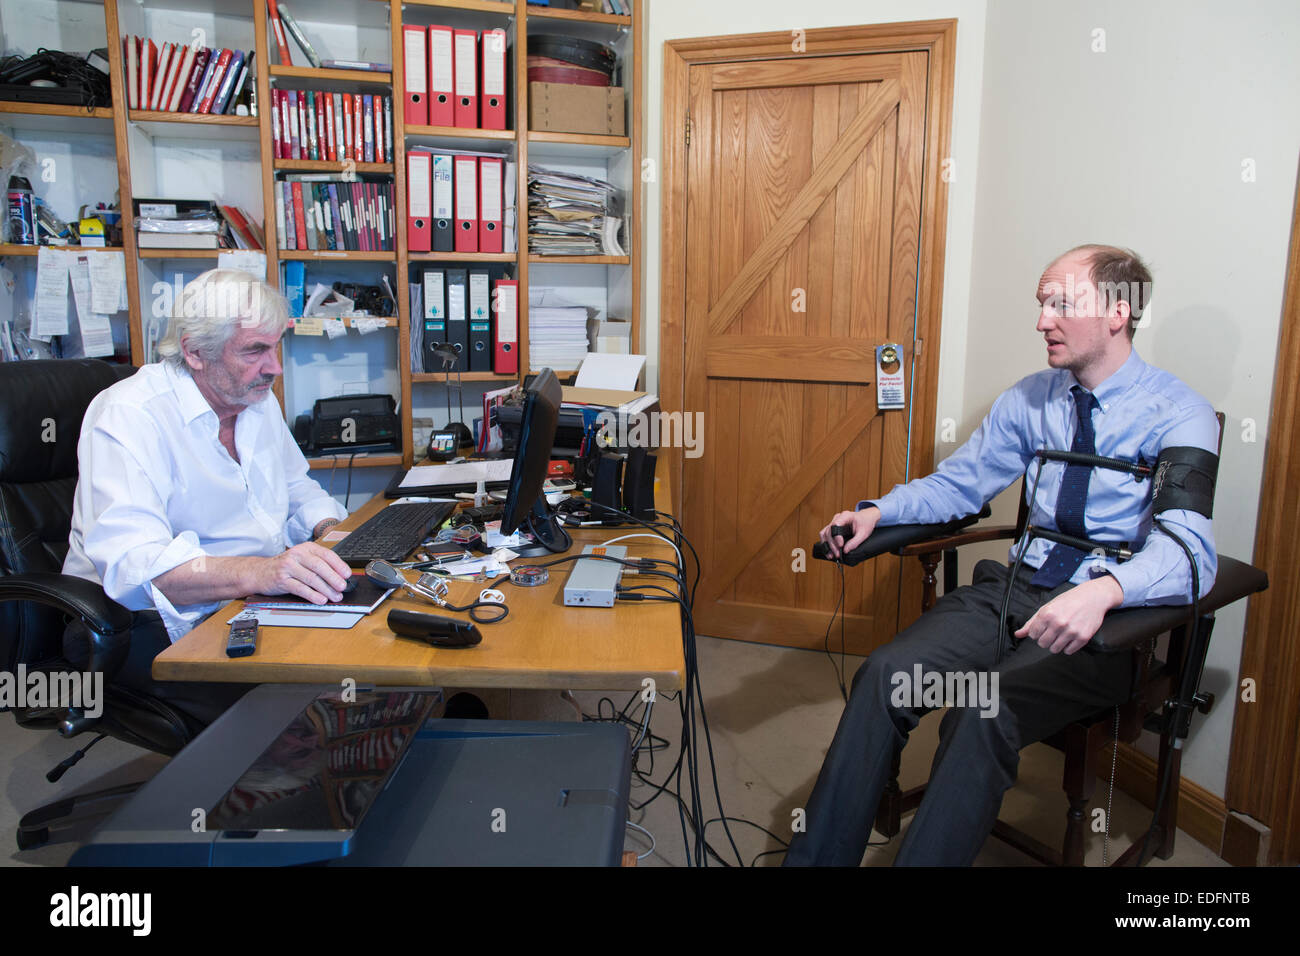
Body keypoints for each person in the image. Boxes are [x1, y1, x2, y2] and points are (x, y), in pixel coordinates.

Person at [783, 244, 1218, 866]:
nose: (1043, 319)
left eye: (1062, 303)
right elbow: (959, 484)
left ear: (1119, 311)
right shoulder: (1031, 399)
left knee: (981, 710)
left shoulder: (1181, 413)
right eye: (1042, 304)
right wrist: (880, 511)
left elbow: (1189, 549)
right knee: (884, 675)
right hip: (1012, 593)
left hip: (1104, 624)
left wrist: (1104, 591)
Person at [62, 269, 352, 731]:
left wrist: (327, 533)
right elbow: (138, 567)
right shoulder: (130, 414)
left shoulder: (253, 396)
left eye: (275, 346)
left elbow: (296, 488)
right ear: (195, 353)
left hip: (246, 599)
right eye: (255, 350)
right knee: (304, 711)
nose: (274, 367)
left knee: (371, 653)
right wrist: (264, 570)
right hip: (139, 619)